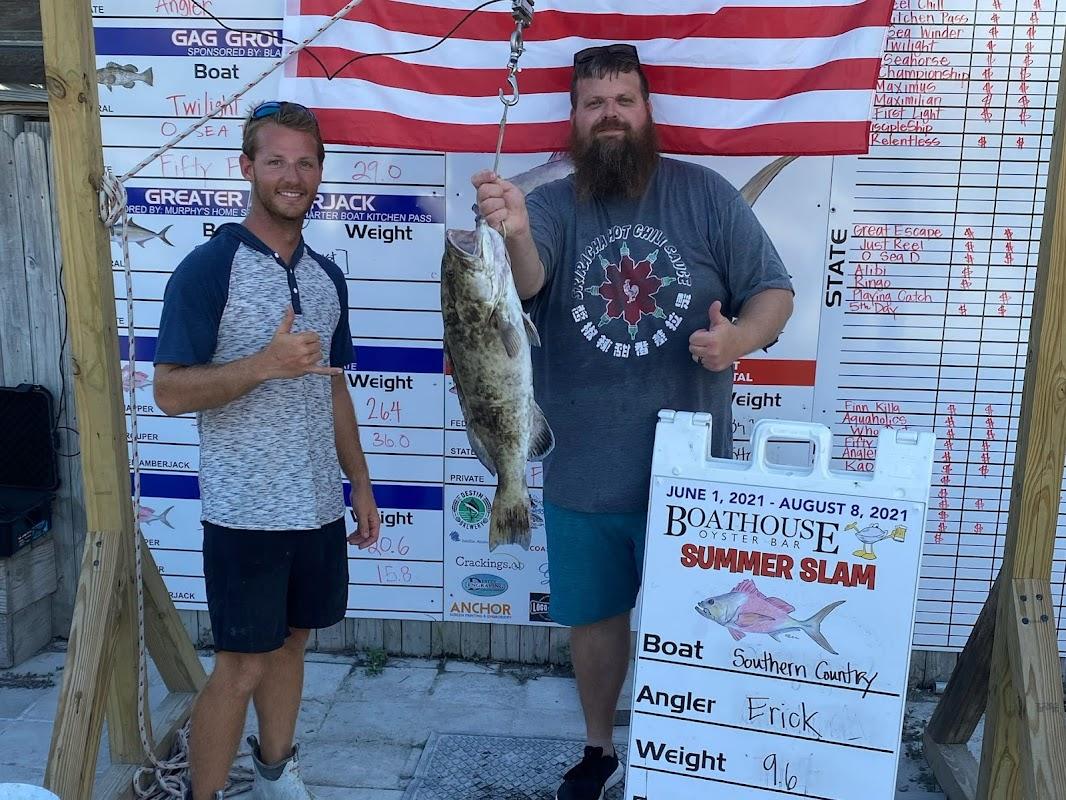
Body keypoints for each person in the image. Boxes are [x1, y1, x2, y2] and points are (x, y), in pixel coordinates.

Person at [473, 44, 795, 800]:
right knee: (596, 621)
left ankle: (695, 753)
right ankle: (599, 748)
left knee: (706, 620)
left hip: (695, 474)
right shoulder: (548, 205)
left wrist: (738, 340)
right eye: (594, 103)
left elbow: (773, 291)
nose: (609, 115)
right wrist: (515, 231)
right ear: (575, 119)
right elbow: (529, 282)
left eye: (623, 100)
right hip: (583, 465)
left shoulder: (708, 196)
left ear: (647, 111)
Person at [153, 101, 381, 800]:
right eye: (276, 160)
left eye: (306, 162)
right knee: (240, 666)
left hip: (315, 506)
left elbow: (334, 391)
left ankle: (278, 776)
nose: (293, 175)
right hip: (246, 512)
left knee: (293, 645)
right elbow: (168, 392)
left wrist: (361, 484)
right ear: (247, 168)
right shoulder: (206, 269)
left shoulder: (326, 278)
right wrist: (263, 364)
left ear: (320, 172)